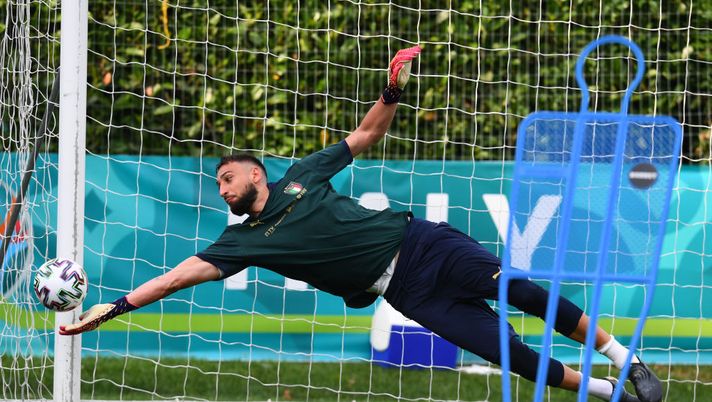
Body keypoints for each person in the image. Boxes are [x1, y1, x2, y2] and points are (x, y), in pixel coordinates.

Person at [59, 45, 662, 402]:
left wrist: (391, 89)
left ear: (257, 176)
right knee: (507, 352)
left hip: (424, 244)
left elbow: (368, 132)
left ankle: (622, 359)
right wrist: (111, 310)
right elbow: (169, 280)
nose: (222, 188)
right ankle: (606, 393)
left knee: (523, 290)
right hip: (407, 292)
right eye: (218, 184)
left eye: (227, 178)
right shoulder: (236, 244)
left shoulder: (303, 173)